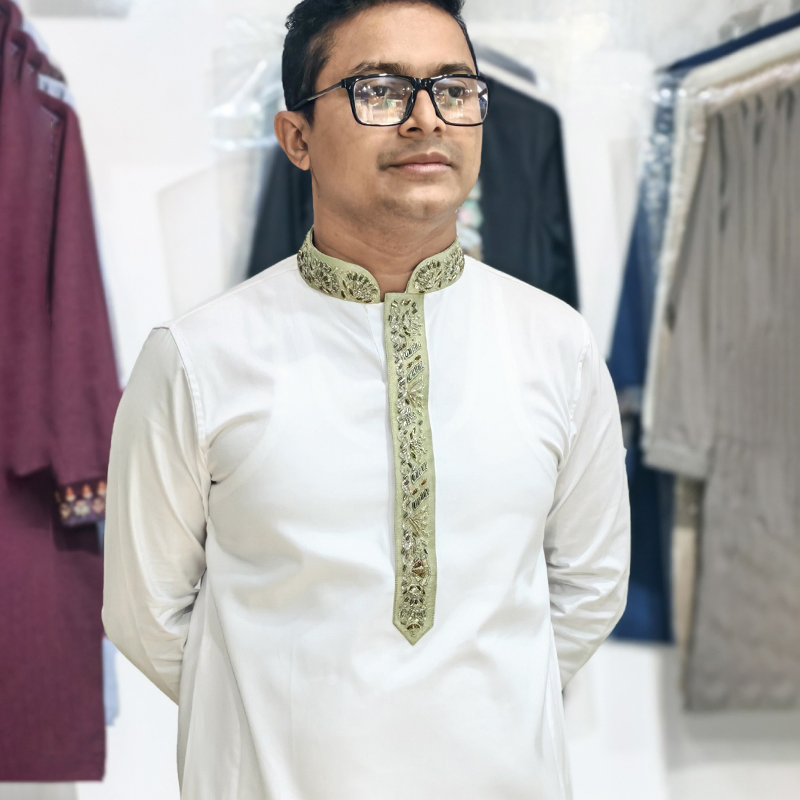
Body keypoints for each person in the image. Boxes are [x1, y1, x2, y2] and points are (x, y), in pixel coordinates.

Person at [103, 1, 630, 797]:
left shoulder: (559, 346)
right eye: (379, 90)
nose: (427, 119)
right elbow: (144, 613)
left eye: (454, 89)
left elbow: (591, 585)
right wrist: (280, 721)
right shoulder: (197, 359)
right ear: (297, 138)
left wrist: (483, 707)